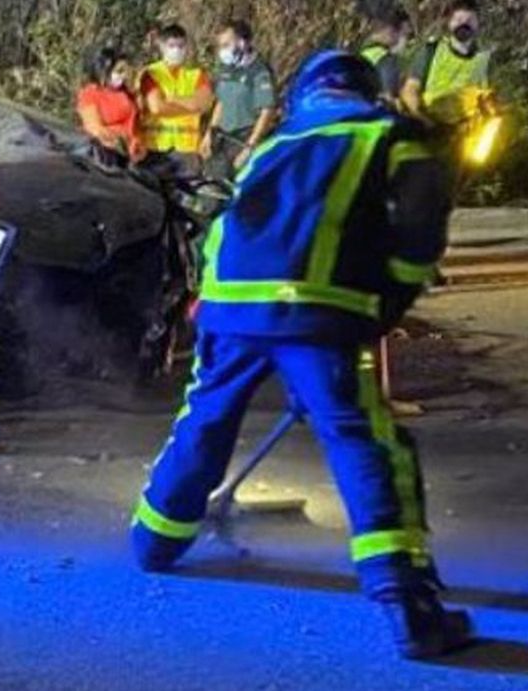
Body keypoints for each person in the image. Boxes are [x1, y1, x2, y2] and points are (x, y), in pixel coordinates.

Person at [129, 50, 466, 660]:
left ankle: (154, 539)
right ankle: (408, 605)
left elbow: (231, 223)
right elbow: (420, 226)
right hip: (315, 309)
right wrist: (390, 299)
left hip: (230, 305)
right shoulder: (389, 134)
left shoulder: (274, 144)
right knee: (364, 440)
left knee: (205, 419)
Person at [399, 0, 492, 131]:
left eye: (470, 20)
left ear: (477, 24)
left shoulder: (483, 59)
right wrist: (422, 118)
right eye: (458, 20)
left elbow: (486, 96)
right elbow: (410, 89)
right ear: (450, 23)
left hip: (466, 132)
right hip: (430, 125)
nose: (464, 24)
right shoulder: (432, 51)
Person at [203, 19, 276, 176]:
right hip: (222, 138)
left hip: (244, 138)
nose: (222, 51)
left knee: (224, 183)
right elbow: (221, 102)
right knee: (209, 180)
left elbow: (267, 111)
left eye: (226, 45)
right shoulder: (225, 68)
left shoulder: (259, 71)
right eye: (220, 46)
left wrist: (249, 148)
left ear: (243, 43)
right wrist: (209, 133)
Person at [139, 24, 214, 176]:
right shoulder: (151, 73)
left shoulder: (196, 74)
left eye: (181, 46)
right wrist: (191, 104)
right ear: (162, 47)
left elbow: (204, 104)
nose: (177, 50)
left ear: (187, 47)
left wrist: (171, 100)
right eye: (171, 46)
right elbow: (157, 107)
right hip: (156, 148)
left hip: (188, 150)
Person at [76, 46, 143, 165]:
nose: (123, 75)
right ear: (104, 70)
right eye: (119, 71)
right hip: (107, 155)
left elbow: (138, 123)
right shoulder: (90, 94)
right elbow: (94, 129)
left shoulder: (127, 93)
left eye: (125, 71)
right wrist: (122, 140)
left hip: (135, 155)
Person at [359, 6, 412, 102]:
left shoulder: (363, 54)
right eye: (405, 35)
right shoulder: (387, 60)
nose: (407, 42)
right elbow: (389, 97)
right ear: (391, 31)